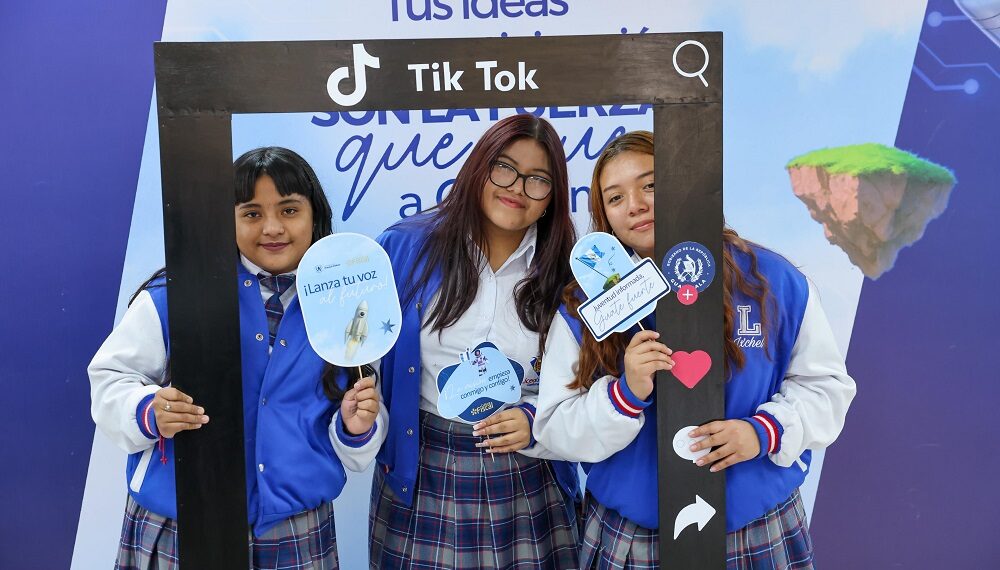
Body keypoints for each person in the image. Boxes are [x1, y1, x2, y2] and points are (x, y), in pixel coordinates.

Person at [533, 131, 856, 569]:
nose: (636, 205)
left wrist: (763, 432)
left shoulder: (769, 280)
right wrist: (624, 395)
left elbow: (827, 388)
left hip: (756, 529)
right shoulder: (584, 309)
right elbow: (554, 425)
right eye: (615, 197)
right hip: (634, 537)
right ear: (603, 215)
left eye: (651, 184)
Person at [89, 146, 386, 569]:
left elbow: (361, 431)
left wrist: (355, 428)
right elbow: (109, 379)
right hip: (182, 523)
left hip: (295, 530)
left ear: (315, 216)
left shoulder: (348, 304)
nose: (272, 228)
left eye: (289, 210)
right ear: (223, 219)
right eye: (251, 213)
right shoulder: (176, 295)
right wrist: (147, 410)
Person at [369, 114, 581, 569]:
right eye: (504, 168)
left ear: (552, 197)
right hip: (424, 466)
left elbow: (587, 378)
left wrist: (533, 418)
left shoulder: (569, 268)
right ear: (478, 168)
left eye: (538, 179)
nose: (517, 188)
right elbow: (365, 358)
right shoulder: (404, 247)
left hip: (530, 467)